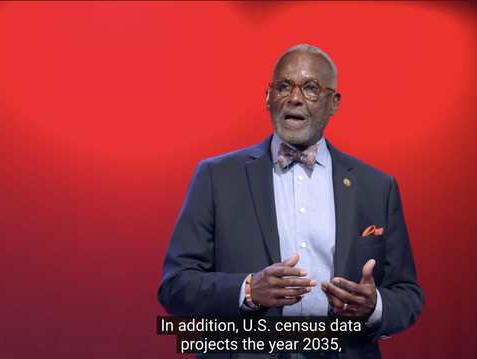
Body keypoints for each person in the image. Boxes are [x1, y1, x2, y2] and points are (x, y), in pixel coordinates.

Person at [158, 44, 424, 359]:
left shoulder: (378, 186)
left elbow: (407, 295)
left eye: (311, 88)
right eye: (284, 86)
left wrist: (373, 306)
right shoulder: (216, 176)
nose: (294, 97)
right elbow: (175, 286)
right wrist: (248, 290)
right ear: (269, 98)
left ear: (333, 103)